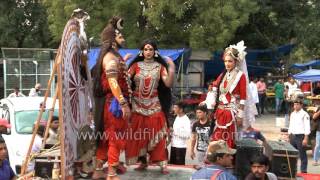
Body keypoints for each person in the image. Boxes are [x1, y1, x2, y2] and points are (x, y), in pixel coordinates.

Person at [125, 39, 175, 174]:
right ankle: (143, 162)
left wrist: (171, 68)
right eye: (146, 49)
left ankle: (163, 164)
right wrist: (123, 64)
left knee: (158, 135)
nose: (148, 52)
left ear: (155, 52)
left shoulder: (160, 67)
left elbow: (168, 83)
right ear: (142, 51)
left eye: (151, 49)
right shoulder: (135, 66)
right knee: (139, 136)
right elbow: (125, 81)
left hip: (154, 105)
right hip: (137, 105)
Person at [92, 16, 132, 179]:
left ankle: (98, 170)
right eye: (120, 36)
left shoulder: (113, 56)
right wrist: (123, 103)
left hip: (111, 103)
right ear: (113, 39)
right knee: (115, 137)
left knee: (107, 137)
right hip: (113, 105)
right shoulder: (110, 58)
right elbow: (113, 81)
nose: (124, 38)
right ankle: (111, 173)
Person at [211, 41, 256, 148]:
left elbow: (243, 97)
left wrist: (240, 116)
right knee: (217, 137)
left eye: (230, 61)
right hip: (220, 111)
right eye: (225, 61)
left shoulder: (241, 76)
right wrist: (212, 102)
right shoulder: (223, 74)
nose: (227, 63)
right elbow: (214, 86)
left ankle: (227, 160)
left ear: (236, 61)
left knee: (228, 139)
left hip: (231, 113)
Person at [288, 98, 310, 173]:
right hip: (293, 136)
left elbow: (307, 127)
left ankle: (303, 171)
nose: (295, 106)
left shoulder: (304, 114)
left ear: (301, 105)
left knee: (302, 154)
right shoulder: (292, 114)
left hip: (301, 136)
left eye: (297, 104)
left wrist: (306, 138)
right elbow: (290, 125)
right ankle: (293, 170)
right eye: (294, 104)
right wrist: (289, 135)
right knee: (292, 154)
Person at [191, 105, 212, 170]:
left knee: (210, 168)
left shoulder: (211, 124)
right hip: (200, 150)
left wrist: (210, 151)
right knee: (201, 169)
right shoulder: (195, 124)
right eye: (197, 113)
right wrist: (192, 150)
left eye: (200, 112)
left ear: (205, 113)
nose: (198, 114)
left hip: (210, 151)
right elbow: (193, 138)